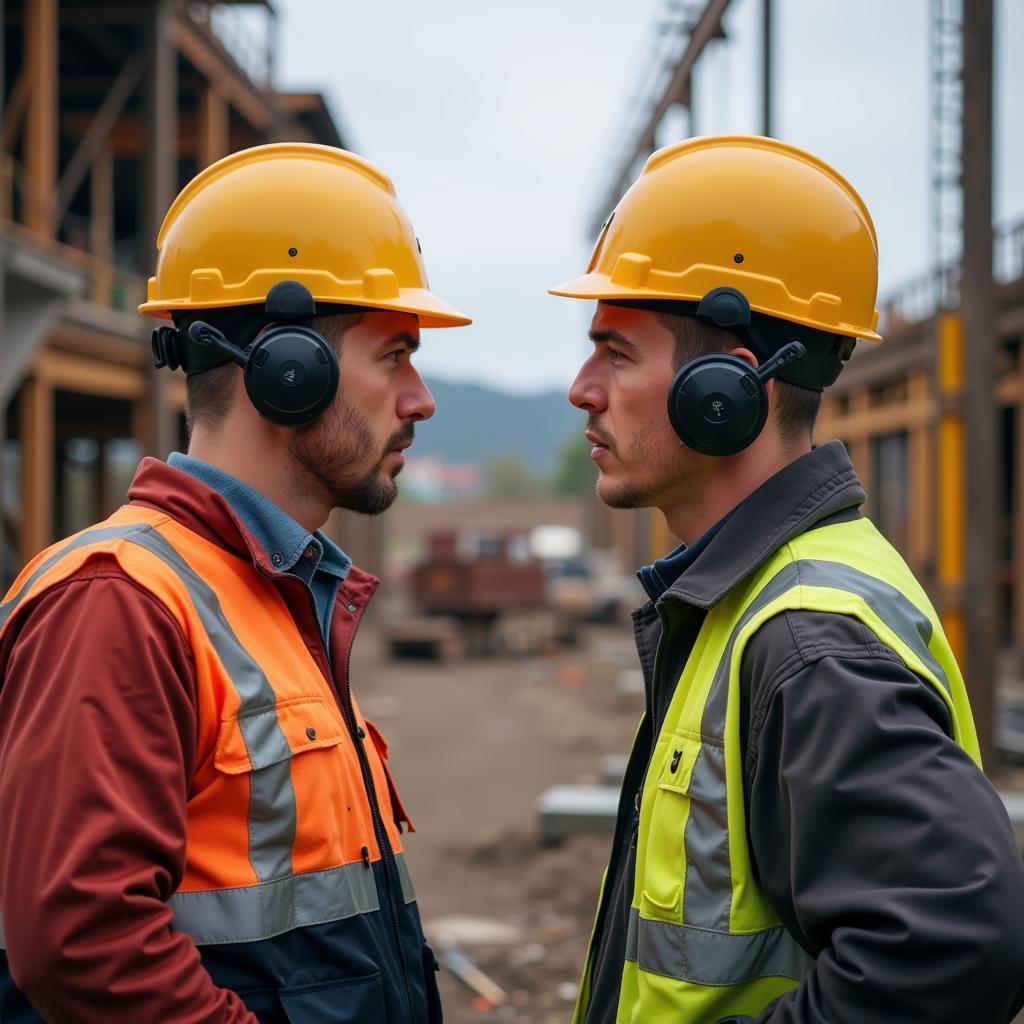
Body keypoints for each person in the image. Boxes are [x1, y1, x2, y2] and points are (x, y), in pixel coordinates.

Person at [550, 135, 1024, 1023]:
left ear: (724, 385)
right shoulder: (751, 601)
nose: (582, 388)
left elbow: (956, 946)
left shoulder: (807, 640)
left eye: (615, 353)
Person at [0, 143, 469, 1023]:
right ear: (291, 371)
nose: (420, 398)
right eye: (395, 356)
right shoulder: (118, 600)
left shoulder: (271, 595)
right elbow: (83, 946)